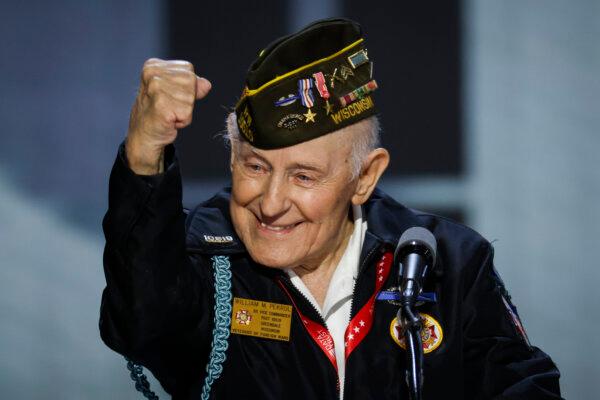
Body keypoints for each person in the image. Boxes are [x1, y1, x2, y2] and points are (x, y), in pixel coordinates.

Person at [99, 18, 562, 399]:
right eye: (255, 167)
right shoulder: (203, 257)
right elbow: (141, 320)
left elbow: (522, 385)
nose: (272, 203)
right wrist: (145, 152)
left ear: (365, 178)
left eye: (303, 176)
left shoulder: (447, 262)